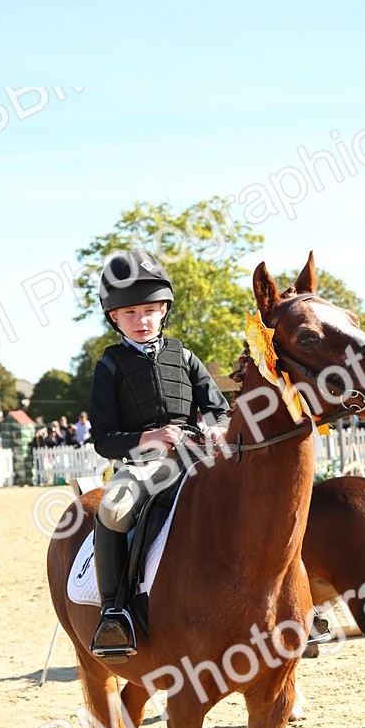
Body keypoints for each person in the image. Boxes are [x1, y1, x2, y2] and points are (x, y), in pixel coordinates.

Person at [89, 248, 229, 660]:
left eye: (149, 310)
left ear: (164, 309)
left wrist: (216, 427)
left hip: (198, 454)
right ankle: (114, 612)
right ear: (114, 317)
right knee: (113, 508)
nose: (141, 320)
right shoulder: (109, 366)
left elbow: (218, 406)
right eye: (130, 313)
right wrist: (149, 436)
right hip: (146, 464)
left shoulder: (184, 356)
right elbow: (103, 438)